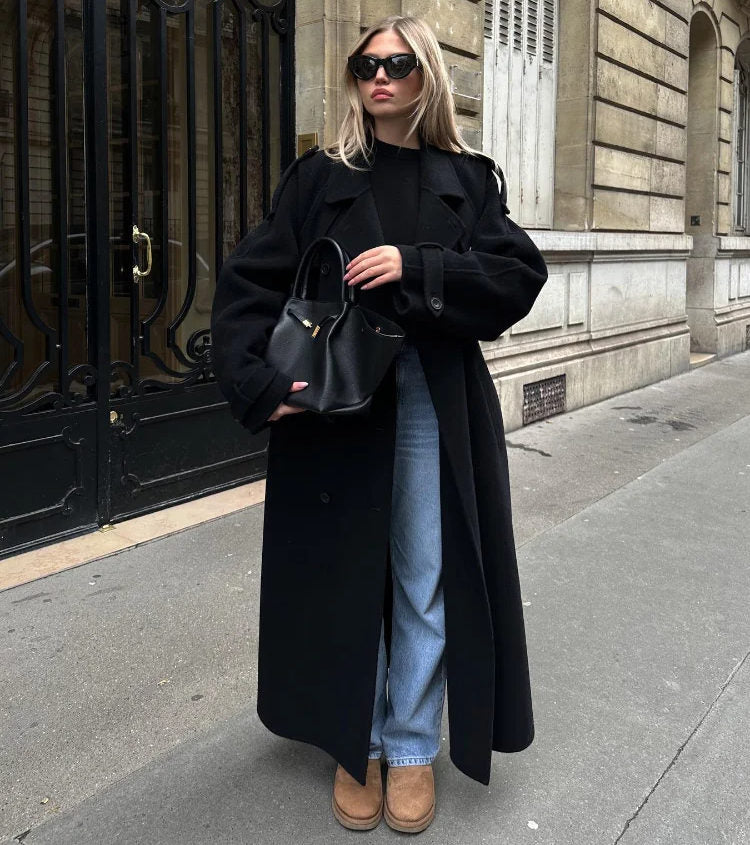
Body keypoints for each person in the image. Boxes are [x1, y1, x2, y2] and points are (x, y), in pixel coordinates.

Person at [210, 14, 549, 835]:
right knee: (341, 573)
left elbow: (516, 276)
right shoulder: (319, 177)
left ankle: (407, 746)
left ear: (426, 74)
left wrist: (420, 265)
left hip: (432, 398)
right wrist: (260, 383)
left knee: (423, 574)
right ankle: (353, 738)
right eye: (366, 64)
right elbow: (248, 283)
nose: (380, 77)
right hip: (336, 403)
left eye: (397, 63)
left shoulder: (468, 180)